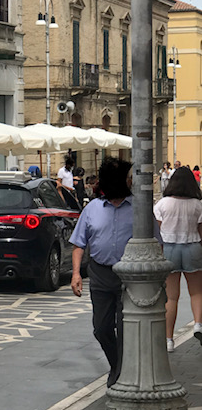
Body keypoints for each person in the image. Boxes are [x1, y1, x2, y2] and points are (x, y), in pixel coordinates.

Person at [70, 157, 133, 387]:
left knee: (128, 329)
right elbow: (79, 243)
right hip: (100, 274)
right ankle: (116, 364)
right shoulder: (92, 209)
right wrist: (76, 273)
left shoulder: (138, 209)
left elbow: (157, 242)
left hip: (130, 278)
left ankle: (122, 373)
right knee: (102, 328)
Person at [154, 166, 202, 352]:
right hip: (192, 246)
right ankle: (198, 324)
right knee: (197, 292)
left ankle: (168, 340)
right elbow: (201, 231)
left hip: (169, 248)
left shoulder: (163, 204)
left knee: (171, 297)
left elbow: (157, 232)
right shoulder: (198, 204)